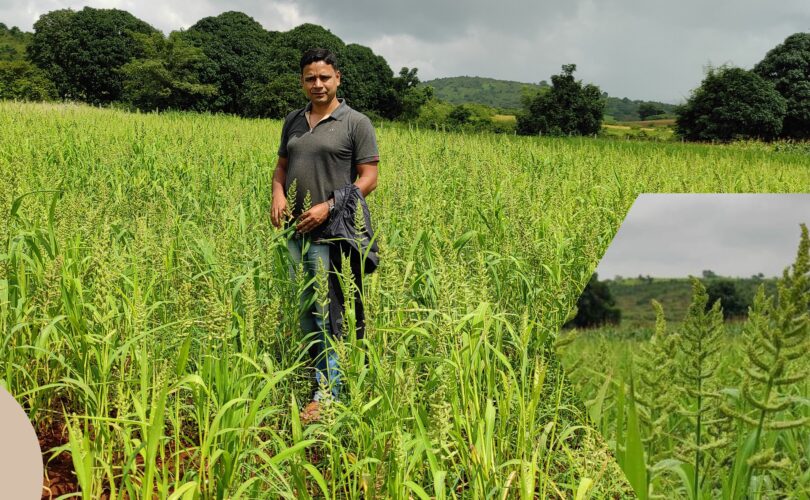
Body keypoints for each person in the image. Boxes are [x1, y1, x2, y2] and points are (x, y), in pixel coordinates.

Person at [270, 48, 379, 423]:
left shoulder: (355, 123)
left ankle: (328, 394)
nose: (317, 85)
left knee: (327, 311)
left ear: (338, 79)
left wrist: (329, 206)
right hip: (294, 232)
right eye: (309, 78)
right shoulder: (294, 121)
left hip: (331, 233)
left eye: (324, 78)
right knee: (305, 313)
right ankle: (321, 375)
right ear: (302, 81)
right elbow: (281, 166)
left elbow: (368, 178)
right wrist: (278, 194)